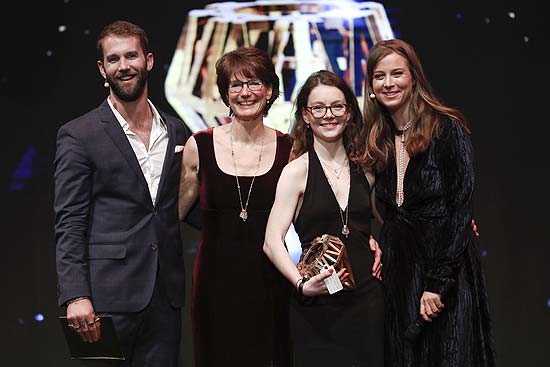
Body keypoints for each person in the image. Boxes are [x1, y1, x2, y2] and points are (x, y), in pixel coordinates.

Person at [54, 20, 198, 366]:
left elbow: (180, 204)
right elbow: (70, 221)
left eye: (131, 56)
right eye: (114, 59)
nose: (124, 66)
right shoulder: (79, 134)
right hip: (105, 299)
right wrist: (76, 295)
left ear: (148, 61)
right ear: (103, 69)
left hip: (165, 297)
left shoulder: (175, 130)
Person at [361, 38, 495, 366]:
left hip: (446, 273)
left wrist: (437, 284)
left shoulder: (447, 129)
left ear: (414, 78)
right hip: (399, 273)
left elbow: (460, 210)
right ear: (370, 86)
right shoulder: (375, 138)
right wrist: (370, 238)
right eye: (380, 76)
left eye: (397, 74)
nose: (389, 83)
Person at [177, 47, 293, 367]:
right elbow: (179, 211)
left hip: (271, 281)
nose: (245, 93)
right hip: (215, 285)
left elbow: (309, 213)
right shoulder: (198, 145)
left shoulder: (289, 148)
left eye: (254, 83)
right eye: (235, 85)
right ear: (225, 94)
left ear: (269, 90)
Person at [263, 70, 384, 367]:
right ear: (305, 115)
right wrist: (301, 284)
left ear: (348, 113)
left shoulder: (366, 168)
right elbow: (271, 242)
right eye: (318, 108)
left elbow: (382, 219)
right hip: (318, 307)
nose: (328, 115)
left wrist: (377, 241)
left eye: (337, 106)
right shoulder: (296, 172)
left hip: (369, 302)